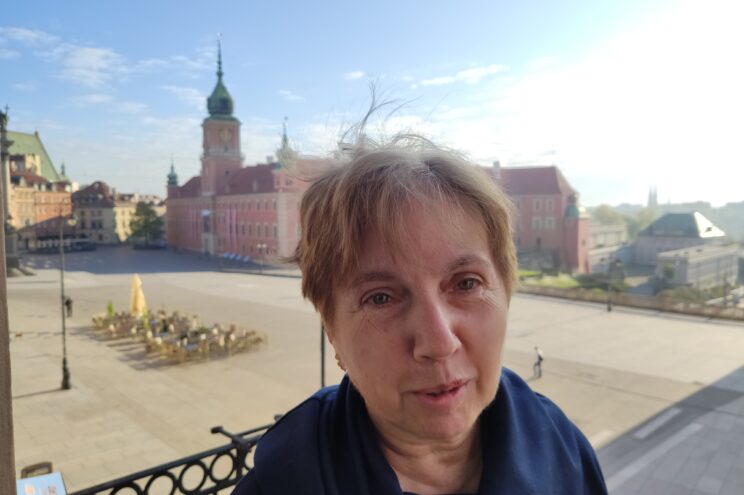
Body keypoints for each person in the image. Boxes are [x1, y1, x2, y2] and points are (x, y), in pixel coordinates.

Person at [232, 133, 607, 494]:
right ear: (332, 330)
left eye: (466, 283)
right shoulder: (279, 485)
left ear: (506, 293)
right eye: (380, 298)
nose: (439, 343)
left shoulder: (565, 447)